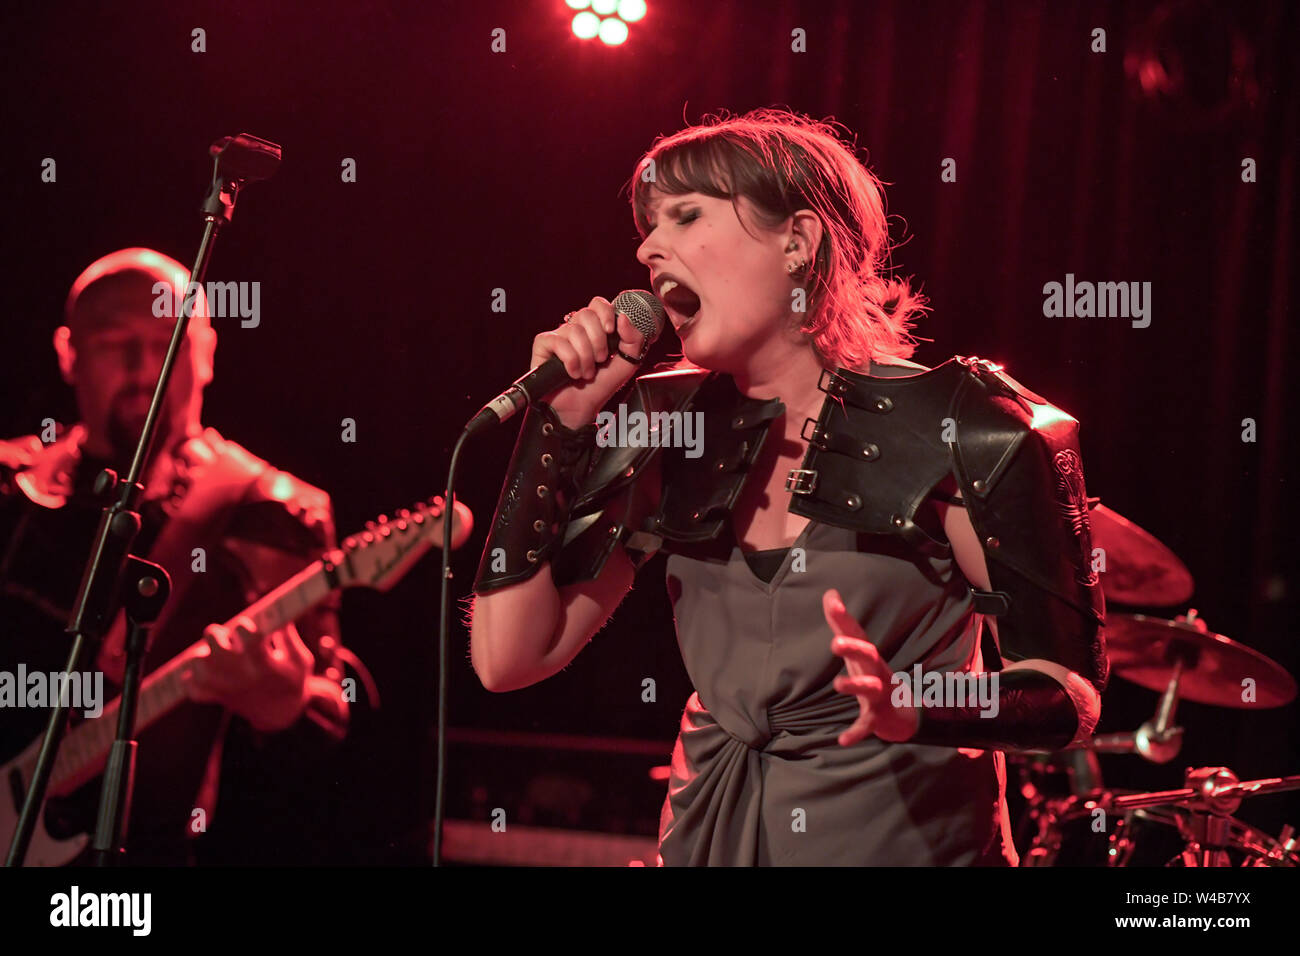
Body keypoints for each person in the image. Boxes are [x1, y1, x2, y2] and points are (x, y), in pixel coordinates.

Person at [467, 108, 1107, 865]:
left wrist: (917, 705)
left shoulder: (963, 423)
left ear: (798, 243)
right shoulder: (664, 424)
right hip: (711, 828)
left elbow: (1068, 694)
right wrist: (556, 427)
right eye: (647, 226)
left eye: (685, 215)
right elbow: (508, 660)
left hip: (899, 838)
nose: (646, 247)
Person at [0, 248, 350, 865]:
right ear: (67, 353)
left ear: (208, 353)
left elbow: (334, 723)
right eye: (115, 342)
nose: (145, 370)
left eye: (169, 342)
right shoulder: (9, 488)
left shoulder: (269, 509)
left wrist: (285, 705)